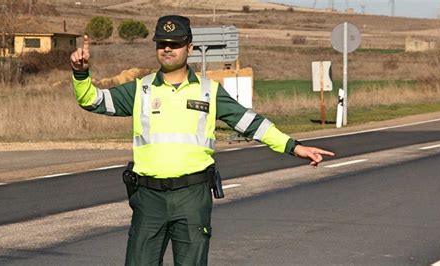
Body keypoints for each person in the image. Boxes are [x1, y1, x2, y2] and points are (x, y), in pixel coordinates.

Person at [70, 15, 334, 266]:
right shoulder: (141, 89)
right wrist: (80, 74)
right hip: (148, 198)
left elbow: (250, 123)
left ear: (190, 47)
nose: (168, 49)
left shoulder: (210, 92)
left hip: (192, 198)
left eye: (175, 44)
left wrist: (293, 146)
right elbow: (93, 100)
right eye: (162, 44)